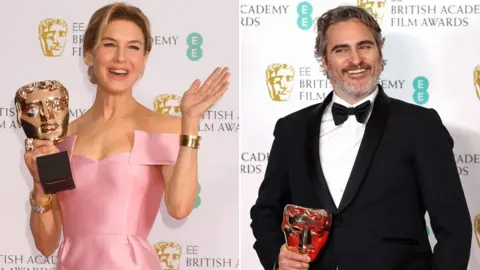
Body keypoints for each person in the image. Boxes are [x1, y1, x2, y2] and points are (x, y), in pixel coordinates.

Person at [250, 5, 472, 270]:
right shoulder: (291, 129)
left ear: (379, 53)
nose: (355, 60)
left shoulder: (421, 126)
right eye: (341, 49)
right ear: (324, 61)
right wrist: (277, 256)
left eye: (364, 46)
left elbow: (454, 229)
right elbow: (265, 211)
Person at [23, 3, 230, 270]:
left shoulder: (163, 128)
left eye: (133, 47)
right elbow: (46, 244)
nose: (121, 58)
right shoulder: (62, 139)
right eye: (109, 44)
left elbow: (179, 208)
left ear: (144, 58)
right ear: (89, 53)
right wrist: (40, 188)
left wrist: (190, 122)